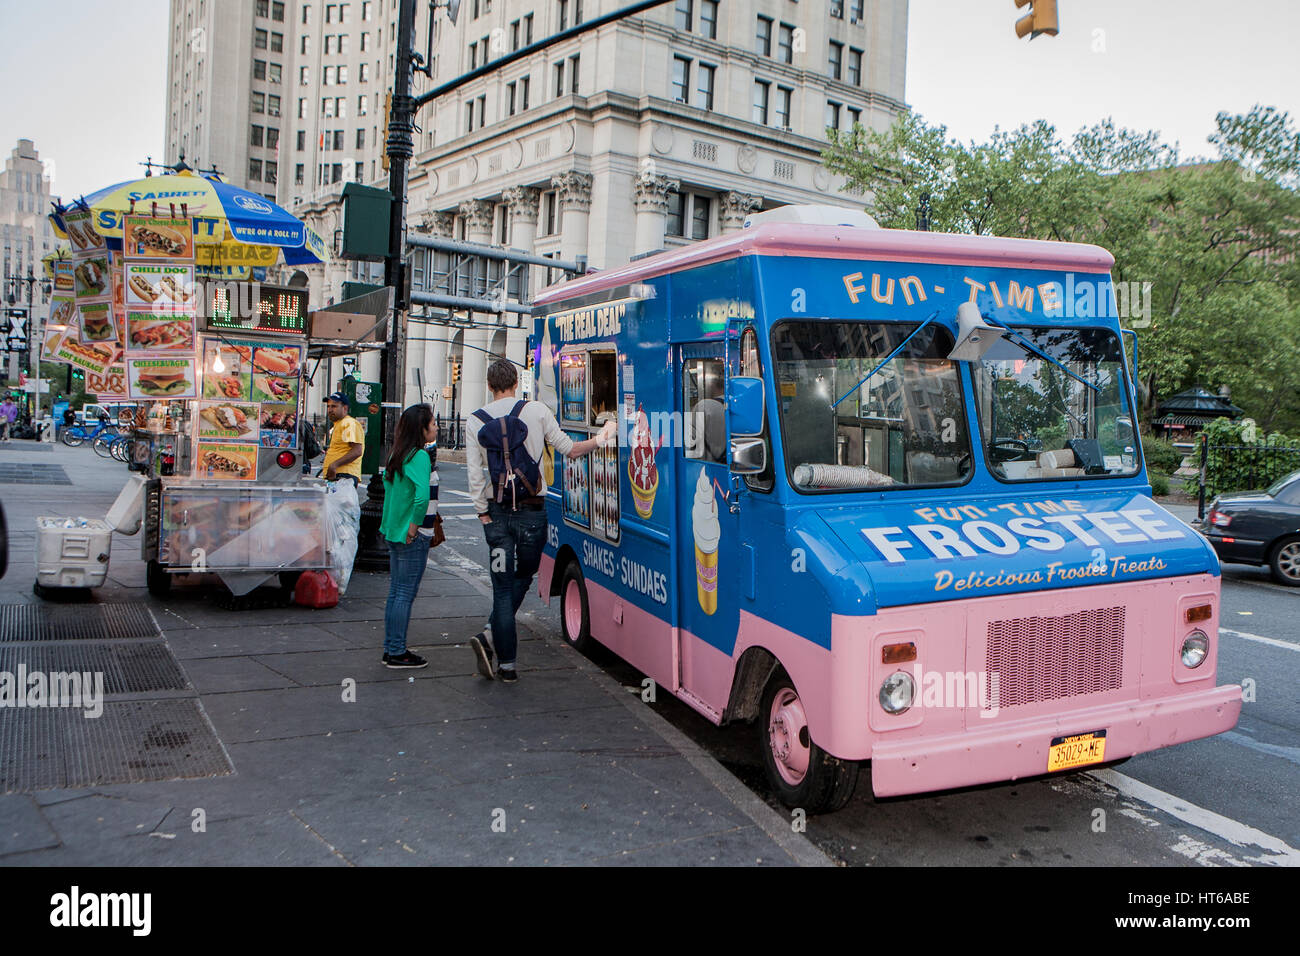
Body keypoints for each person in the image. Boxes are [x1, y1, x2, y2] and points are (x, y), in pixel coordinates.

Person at [467, 360, 615, 683]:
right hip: (533, 514)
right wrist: (602, 438)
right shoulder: (536, 411)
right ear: (515, 382)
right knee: (527, 572)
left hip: (497, 516)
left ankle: (506, 664)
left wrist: (483, 513)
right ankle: (491, 635)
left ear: (490, 386)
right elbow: (570, 450)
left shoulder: (474, 421)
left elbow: (474, 476)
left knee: (501, 588)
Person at [378, 403, 438, 668]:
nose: (437, 426)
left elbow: (392, 494)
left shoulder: (397, 454)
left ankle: (391, 647)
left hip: (393, 531)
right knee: (405, 593)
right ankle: (397, 651)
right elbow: (422, 496)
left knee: (395, 593)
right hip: (410, 535)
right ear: (421, 428)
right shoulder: (420, 456)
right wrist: (414, 527)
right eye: (433, 423)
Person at [322, 392, 364, 485]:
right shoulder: (340, 424)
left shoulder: (349, 423)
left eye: (334, 406)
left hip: (344, 476)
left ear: (345, 408)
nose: (330, 410)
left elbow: (357, 451)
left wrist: (334, 465)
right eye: (328, 406)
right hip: (338, 476)